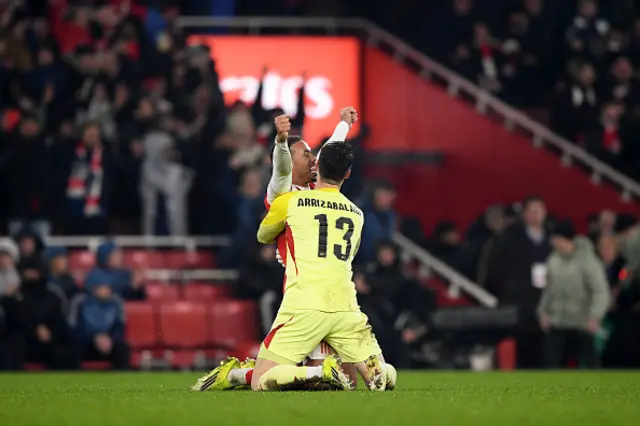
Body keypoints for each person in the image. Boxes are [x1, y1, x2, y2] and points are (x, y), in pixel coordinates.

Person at [192, 107, 376, 391]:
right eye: (305, 154)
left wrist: (342, 126)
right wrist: (280, 141)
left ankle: (235, 376)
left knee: (341, 381)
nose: (313, 158)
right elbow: (279, 167)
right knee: (324, 378)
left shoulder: (317, 189)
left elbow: (329, 154)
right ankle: (241, 375)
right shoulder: (282, 191)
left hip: (323, 290)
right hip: (302, 291)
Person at [249, 141, 388, 391]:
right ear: (347, 174)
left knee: (261, 380)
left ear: (317, 166)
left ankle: (316, 373)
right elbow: (349, 255)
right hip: (346, 308)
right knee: (379, 376)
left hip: (305, 304)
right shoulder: (357, 213)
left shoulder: (291, 202)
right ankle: (381, 373)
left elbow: (264, 235)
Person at [484, 196, 552, 369]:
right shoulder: (510, 240)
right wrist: (509, 290)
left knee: (545, 352)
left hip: (546, 303)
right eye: (533, 211)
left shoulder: (551, 241)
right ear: (526, 214)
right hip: (519, 304)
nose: (537, 215)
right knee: (521, 352)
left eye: (540, 210)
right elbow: (495, 271)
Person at [537, 220, 609, 368]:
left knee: (590, 366)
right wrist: (543, 312)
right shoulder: (553, 260)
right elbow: (548, 290)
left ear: (563, 239)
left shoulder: (588, 260)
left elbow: (600, 291)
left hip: (581, 324)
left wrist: (595, 316)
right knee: (552, 366)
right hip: (557, 322)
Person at [0, 257, 70, 370]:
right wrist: (34, 330)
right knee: (13, 342)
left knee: (64, 345)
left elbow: (60, 319)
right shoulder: (15, 296)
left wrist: (49, 332)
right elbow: (11, 320)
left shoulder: (53, 295)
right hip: (23, 340)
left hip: (49, 338)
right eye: (27, 272)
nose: (31, 275)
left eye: (34, 272)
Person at [68, 270, 130, 370]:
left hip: (109, 343)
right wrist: (94, 338)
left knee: (123, 349)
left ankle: (122, 381)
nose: (107, 290)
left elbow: (120, 325)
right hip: (86, 343)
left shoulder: (116, 301)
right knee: (72, 349)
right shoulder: (79, 301)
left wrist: (110, 339)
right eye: (103, 287)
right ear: (93, 288)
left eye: (108, 287)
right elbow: (73, 328)